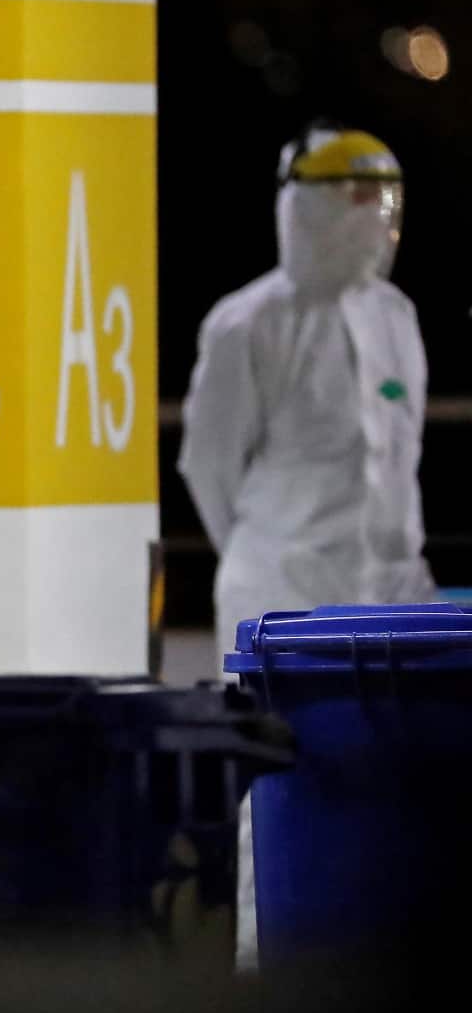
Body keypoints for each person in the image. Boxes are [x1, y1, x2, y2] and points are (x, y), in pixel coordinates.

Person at [181, 122, 433, 650]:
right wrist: (273, 553)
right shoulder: (248, 325)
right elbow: (209, 464)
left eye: (382, 202)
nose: (374, 219)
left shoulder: (394, 315)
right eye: (358, 201)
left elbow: (399, 456)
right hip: (281, 600)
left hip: (391, 600)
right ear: (311, 206)